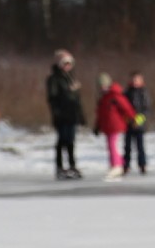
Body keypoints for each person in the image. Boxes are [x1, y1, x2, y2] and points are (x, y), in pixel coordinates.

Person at [46, 50, 86, 181]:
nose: (67, 66)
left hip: (72, 114)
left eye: (69, 63)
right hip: (62, 114)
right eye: (65, 63)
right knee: (61, 141)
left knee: (71, 141)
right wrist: (56, 112)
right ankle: (59, 167)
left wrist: (81, 114)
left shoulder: (71, 77)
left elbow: (77, 99)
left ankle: (72, 166)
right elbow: (52, 98)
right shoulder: (54, 79)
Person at [92, 73, 138, 180]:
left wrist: (133, 119)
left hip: (116, 125)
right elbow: (100, 114)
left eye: (104, 84)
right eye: (100, 85)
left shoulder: (115, 95)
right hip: (107, 126)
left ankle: (116, 166)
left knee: (113, 146)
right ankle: (119, 163)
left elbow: (127, 108)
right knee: (110, 146)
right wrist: (97, 126)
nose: (102, 87)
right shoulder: (103, 98)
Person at [122, 71, 151, 175]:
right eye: (133, 79)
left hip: (139, 124)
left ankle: (142, 165)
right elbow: (123, 108)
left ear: (141, 81)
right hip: (128, 123)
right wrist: (128, 119)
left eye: (137, 80)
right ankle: (126, 165)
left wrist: (138, 121)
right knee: (127, 147)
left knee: (140, 146)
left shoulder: (144, 92)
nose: (135, 82)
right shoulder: (126, 92)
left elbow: (146, 109)